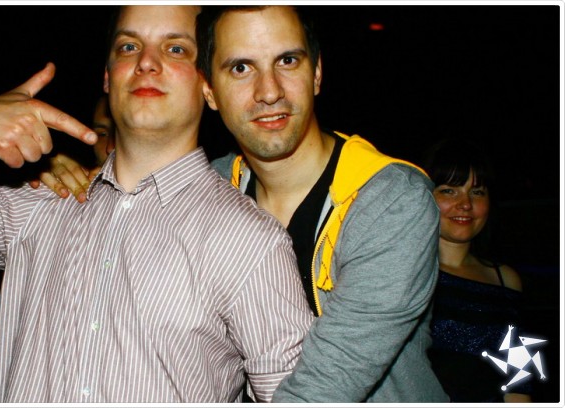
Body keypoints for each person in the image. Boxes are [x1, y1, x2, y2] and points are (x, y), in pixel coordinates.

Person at [0, 5, 314, 403]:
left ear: (208, 84)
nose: (146, 62)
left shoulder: (250, 244)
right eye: (128, 46)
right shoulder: (42, 204)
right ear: (107, 76)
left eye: (176, 49)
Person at [43, 5, 448, 402]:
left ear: (317, 73)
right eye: (241, 68)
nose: (269, 91)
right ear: (209, 91)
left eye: (287, 61)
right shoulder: (209, 186)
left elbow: (327, 384)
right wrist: (60, 176)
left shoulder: (390, 201)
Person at [0, 94, 116, 403]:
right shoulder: (50, 201)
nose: (110, 145)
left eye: (122, 128)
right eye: (101, 132)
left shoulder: (191, 213)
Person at [422, 138, 531, 403]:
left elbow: (519, 380)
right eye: (449, 191)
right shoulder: (402, 274)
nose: (465, 204)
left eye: (477, 192)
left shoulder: (505, 280)